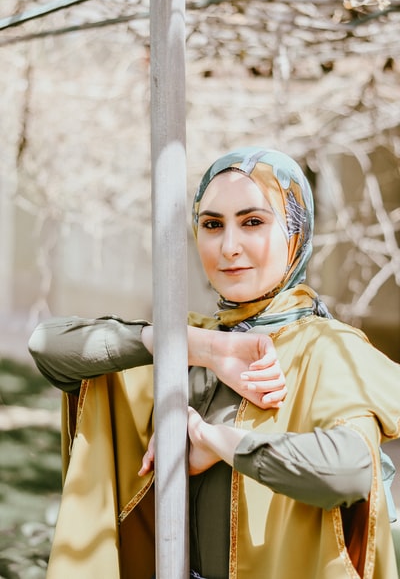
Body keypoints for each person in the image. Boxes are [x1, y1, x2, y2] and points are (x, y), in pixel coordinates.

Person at [28, 147, 400, 579]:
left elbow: (350, 471)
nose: (228, 247)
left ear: (296, 235)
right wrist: (201, 349)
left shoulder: (328, 348)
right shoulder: (187, 340)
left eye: (253, 222)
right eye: (211, 225)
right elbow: (48, 346)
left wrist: (216, 441)